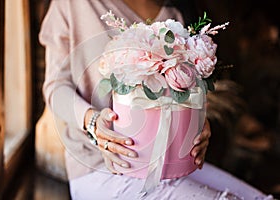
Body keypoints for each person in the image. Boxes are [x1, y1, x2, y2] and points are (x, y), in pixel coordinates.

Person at [39, 0, 273, 199]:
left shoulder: (173, 16)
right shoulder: (74, 4)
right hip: (105, 169)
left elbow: (181, 95)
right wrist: (91, 121)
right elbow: (56, 86)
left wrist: (197, 122)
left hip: (174, 164)